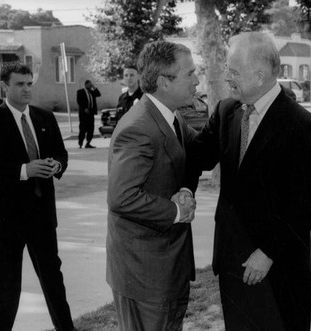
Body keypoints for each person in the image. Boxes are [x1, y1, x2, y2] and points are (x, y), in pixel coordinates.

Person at [189, 32, 311, 330]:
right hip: (232, 261)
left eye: (234, 71)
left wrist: (267, 253)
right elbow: (197, 156)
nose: (227, 77)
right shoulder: (227, 111)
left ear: (260, 75)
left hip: (278, 270)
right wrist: (161, 114)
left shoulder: (301, 126)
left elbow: (309, 202)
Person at [0, 62, 75, 331]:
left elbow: (61, 154)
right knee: (2, 285)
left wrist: (57, 165)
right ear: (5, 86)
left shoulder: (44, 118)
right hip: (7, 221)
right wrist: (22, 170)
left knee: (53, 279)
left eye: (29, 83)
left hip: (42, 217)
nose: (27, 89)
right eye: (20, 84)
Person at [107, 40, 200, 331]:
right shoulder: (139, 127)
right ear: (164, 82)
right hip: (144, 273)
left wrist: (185, 188)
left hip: (167, 267)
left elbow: (195, 152)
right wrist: (176, 211)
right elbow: (121, 197)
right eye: (190, 74)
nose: (197, 80)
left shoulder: (171, 116)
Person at [77, 79, 101, 148]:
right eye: (89, 85)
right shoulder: (80, 92)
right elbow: (79, 101)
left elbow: (98, 94)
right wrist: (84, 108)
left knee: (91, 128)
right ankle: (80, 143)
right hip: (83, 113)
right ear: (86, 85)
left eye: (91, 84)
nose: (90, 86)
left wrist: (94, 87)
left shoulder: (92, 92)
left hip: (91, 113)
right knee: (83, 128)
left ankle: (88, 143)